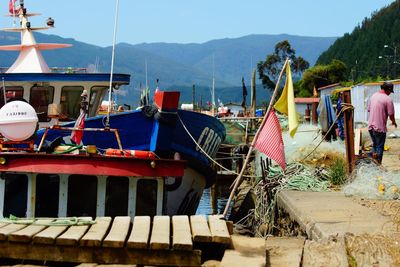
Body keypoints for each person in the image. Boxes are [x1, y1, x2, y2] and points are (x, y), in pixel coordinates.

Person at [368, 82, 397, 164]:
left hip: (370, 126)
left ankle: (372, 164)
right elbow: (391, 114)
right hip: (379, 128)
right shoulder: (387, 99)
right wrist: (394, 122)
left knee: (375, 145)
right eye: (390, 92)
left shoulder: (373, 96)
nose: (390, 94)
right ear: (388, 89)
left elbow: (369, 109)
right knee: (380, 147)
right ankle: (378, 165)